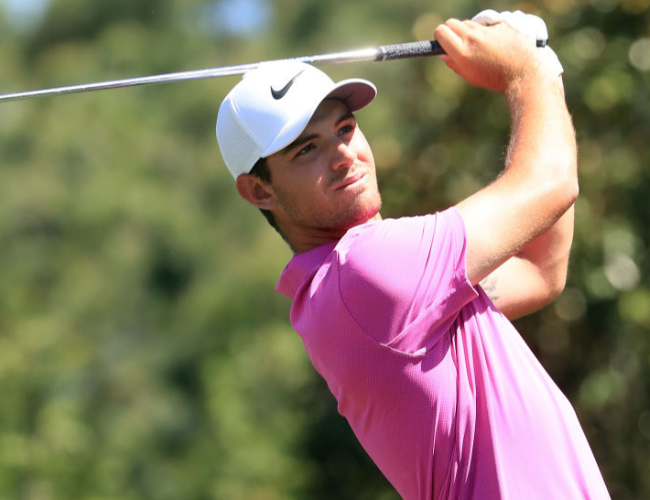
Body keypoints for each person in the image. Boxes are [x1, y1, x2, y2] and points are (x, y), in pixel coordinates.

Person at [216, 10, 611, 500]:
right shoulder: (363, 272)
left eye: (344, 129)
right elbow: (550, 184)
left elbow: (539, 270)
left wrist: (537, 67)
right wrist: (529, 69)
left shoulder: (351, 291)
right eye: (306, 150)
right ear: (258, 191)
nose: (344, 155)